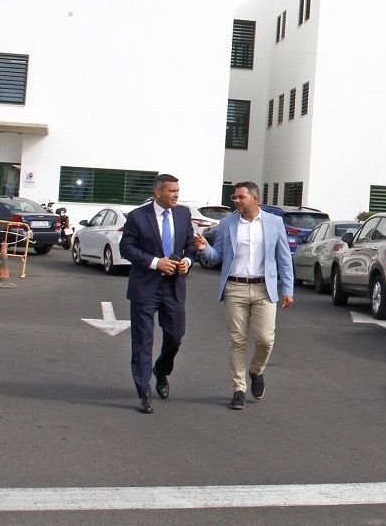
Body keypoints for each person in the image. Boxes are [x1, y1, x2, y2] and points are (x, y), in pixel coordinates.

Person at [194, 181, 294, 410]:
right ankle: (238, 389)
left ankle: (256, 371)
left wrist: (287, 289)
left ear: (254, 199)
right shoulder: (227, 223)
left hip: (263, 288)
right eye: (235, 198)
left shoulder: (274, 222)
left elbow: (284, 257)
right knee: (238, 340)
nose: (236, 201)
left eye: (241, 197)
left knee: (265, 339)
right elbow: (216, 256)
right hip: (235, 288)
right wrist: (203, 249)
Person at [119, 174, 198, 414]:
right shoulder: (137, 217)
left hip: (173, 287)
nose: (176, 194)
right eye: (172, 191)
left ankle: (161, 370)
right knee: (143, 341)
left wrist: (186, 260)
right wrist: (155, 262)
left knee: (175, 336)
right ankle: (144, 391)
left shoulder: (183, 214)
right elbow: (126, 248)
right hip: (145, 287)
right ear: (158, 192)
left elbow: (191, 245)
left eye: (178, 190)